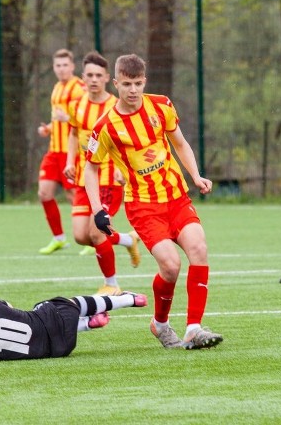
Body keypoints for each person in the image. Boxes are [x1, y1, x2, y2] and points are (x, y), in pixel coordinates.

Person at [83, 54, 223, 350]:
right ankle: (160, 325)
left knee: (199, 248)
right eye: (126, 84)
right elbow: (91, 168)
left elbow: (180, 143)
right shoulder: (106, 126)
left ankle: (194, 329)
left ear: (144, 81)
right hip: (143, 207)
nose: (132, 90)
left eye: (137, 83)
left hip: (176, 197)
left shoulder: (161, 105)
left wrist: (195, 176)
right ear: (116, 83)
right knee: (171, 266)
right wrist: (98, 209)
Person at [64, 52, 142, 296]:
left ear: (108, 78)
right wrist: (69, 161)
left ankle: (112, 284)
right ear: (83, 77)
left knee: (96, 233)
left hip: (108, 178)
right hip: (83, 178)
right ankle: (128, 240)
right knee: (80, 236)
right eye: (90, 75)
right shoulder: (76, 105)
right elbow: (74, 134)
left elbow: (123, 141)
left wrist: (121, 169)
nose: (94, 79)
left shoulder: (114, 106)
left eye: (99, 75)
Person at [0, 290, 147, 361]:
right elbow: (10, 308)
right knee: (65, 303)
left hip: (59, 350)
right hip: (53, 319)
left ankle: (89, 323)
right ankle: (129, 300)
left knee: (47, 319)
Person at [37, 49, 85, 255]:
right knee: (44, 193)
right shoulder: (57, 88)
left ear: (72, 67)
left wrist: (68, 119)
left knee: (74, 194)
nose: (61, 69)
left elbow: (84, 116)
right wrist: (48, 127)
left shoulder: (79, 88)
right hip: (54, 150)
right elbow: (59, 117)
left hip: (71, 151)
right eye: (58, 65)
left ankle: (92, 236)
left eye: (65, 65)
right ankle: (58, 238)